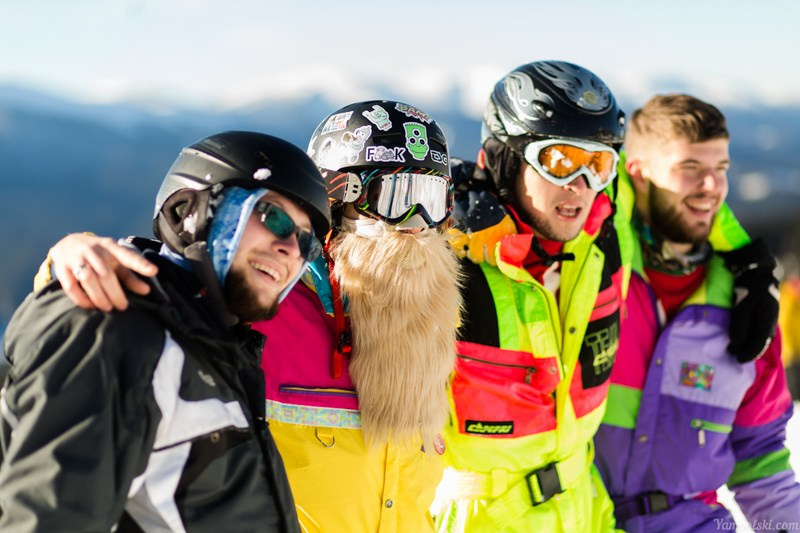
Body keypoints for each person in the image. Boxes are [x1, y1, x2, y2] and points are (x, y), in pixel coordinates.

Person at [31, 100, 462, 532]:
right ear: (339, 200)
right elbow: (168, 278)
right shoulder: (265, 305)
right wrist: (72, 258)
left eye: (433, 200)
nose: (418, 224)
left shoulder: (436, 322)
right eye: (398, 198)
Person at [0, 131, 332, 531]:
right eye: (272, 217)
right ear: (186, 211)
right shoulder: (115, 329)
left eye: (306, 243)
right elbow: (48, 517)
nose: (291, 249)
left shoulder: (214, 350)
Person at [433, 60, 629, 532]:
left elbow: (686, 180)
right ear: (504, 159)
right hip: (482, 517)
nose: (581, 185)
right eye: (560, 160)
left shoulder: (602, 238)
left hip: (585, 506)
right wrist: (440, 200)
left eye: (598, 164)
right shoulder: (445, 260)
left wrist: (748, 259)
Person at [593, 94, 800, 531]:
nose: (712, 186)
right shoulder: (596, 277)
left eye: (721, 168)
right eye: (690, 167)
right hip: (584, 519)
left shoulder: (746, 305)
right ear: (638, 173)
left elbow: (760, 459)